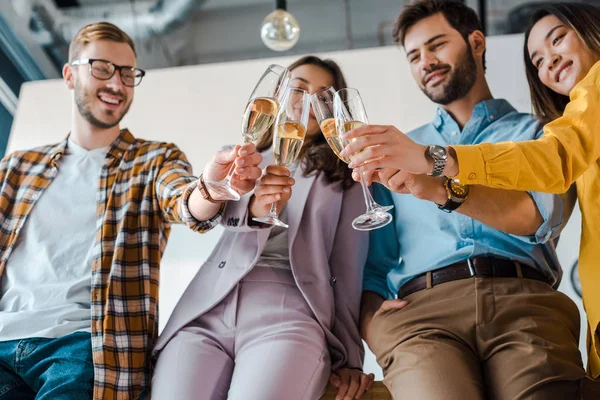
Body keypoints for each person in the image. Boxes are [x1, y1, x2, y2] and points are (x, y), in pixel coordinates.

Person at [0, 22, 262, 399]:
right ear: (70, 75)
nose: (117, 84)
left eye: (127, 73)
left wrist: (213, 187)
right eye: (102, 68)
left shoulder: (154, 159)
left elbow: (184, 199)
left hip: (82, 348)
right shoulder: (18, 167)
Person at [343, 1, 600, 380]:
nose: (425, 61)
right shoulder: (397, 152)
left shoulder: (543, 133)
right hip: (421, 316)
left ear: (476, 42)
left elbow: (538, 215)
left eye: (436, 45)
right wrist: (371, 325)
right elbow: (374, 266)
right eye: (414, 55)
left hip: (525, 304)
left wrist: (434, 170)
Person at [152, 56, 375, 400]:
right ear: (280, 95)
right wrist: (255, 209)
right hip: (208, 308)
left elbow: (347, 268)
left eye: (321, 96)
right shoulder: (243, 158)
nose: (307, 102)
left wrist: (349, 356)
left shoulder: (347, 176)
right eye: (298, 89)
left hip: (290, 311)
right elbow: (209, 213)